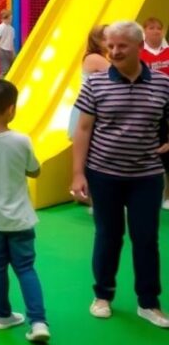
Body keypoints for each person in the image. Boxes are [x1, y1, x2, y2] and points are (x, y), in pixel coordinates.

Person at [71, 20, 169, 328]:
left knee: (146, 238)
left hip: (147, 176)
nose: (113, 51)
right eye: (110, 45)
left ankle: (149, 303)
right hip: (103, 174)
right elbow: (83, 129)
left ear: (139, 47)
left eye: (121, 46)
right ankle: (102, 295)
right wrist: (78, 173)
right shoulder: (96, 83)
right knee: (108, 236)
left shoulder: (163, 83)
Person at [0, 79, 50, 344]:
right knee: (25, 268)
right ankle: (37, 322)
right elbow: (35, 170)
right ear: (11, 109)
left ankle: (1, 315)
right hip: (20, 219)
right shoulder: (21, 140)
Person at [140, 17, 169, 210]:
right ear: (144, 31)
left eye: (159, 28)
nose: (156, 31)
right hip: (147, 108)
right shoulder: (138, 53)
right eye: (152, 28)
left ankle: (166, 197)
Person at [68, 25, 110, 140]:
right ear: (98, 41)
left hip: (92, 104)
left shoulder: (101, 57)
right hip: (88, 106)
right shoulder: (94, 58)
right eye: (107, 39)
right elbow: (120, 74)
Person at [0, 9, 16, 77]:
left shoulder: (12, 29)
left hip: (9, 51)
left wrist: (13, 52)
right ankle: (1, 85)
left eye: (10, 18)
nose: (10, 19)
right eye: (9, 18)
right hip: (3, 50)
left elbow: (11, 42)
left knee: (11, 69)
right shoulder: (0, 27)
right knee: (4, 70)